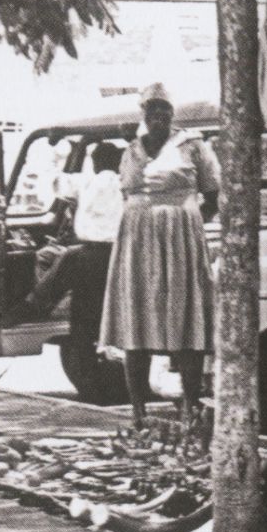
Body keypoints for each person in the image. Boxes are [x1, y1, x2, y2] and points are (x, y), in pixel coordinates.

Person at [99, 84, 221, 426]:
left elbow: (213, 194)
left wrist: (187, 222)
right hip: (137, 241)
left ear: (172, 113)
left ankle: (190, 405)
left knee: (186, 319)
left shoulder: (193, 145)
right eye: (151, 110)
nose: (158, 116)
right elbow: (126, 193)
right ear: (143, 114)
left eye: (164, 109)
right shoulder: (132, 150)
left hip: (180, 238)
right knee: (136, 321)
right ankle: (138, 411)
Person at [2, 142, 124, 352]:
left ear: (96, 163)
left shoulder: (87, 181)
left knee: (70, 259)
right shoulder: (125, 184)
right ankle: (44, 304)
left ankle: (34, 305)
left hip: (95, 252)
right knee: (60, 257)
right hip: (118, 253)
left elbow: (54, 180)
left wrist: (52, 149)